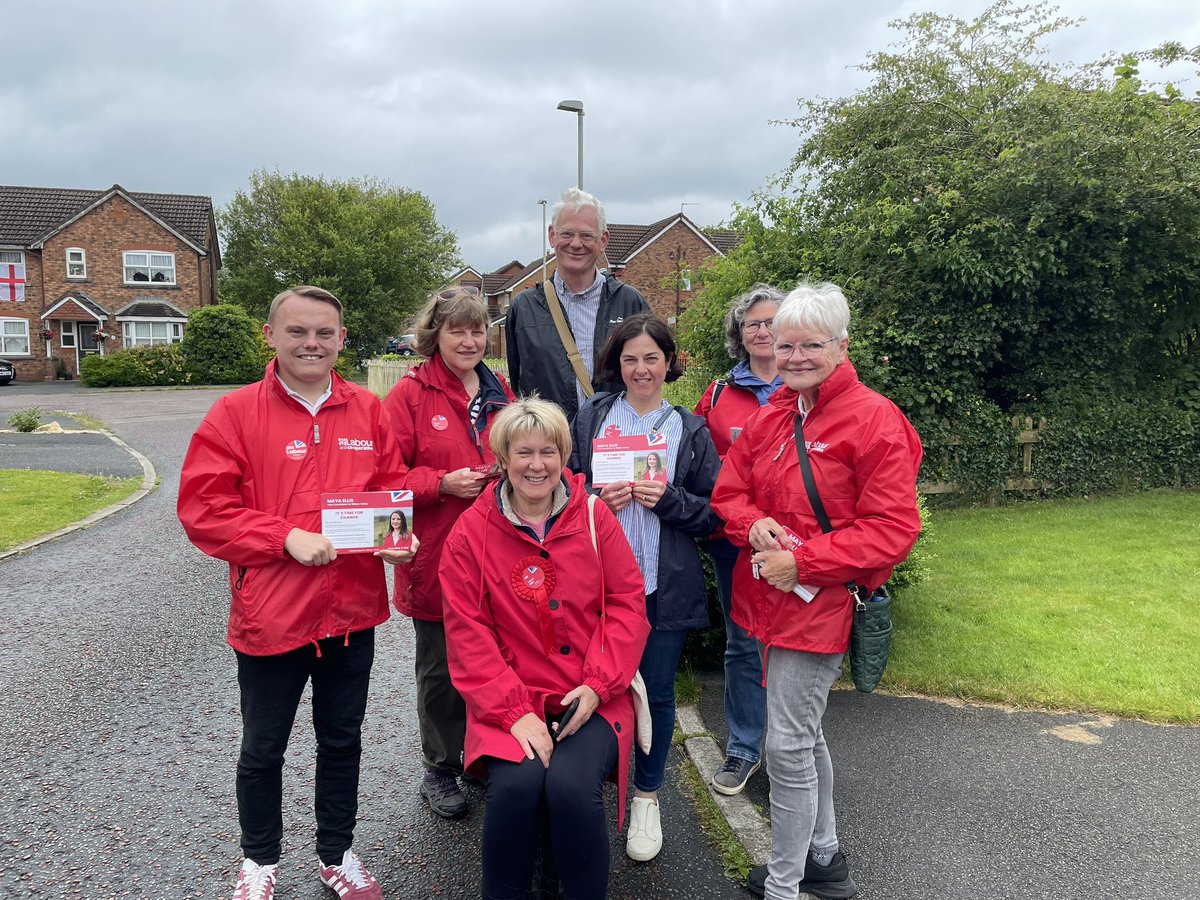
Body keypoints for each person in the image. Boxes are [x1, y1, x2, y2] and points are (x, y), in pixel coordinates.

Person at [178, 285, 418, 900]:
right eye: (297, 332)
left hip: (350, 613)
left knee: (342, 740)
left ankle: (336, 854)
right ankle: (259, 861)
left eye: (324, 333)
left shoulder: (368, 409)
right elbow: (203, 510)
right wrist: (285, 536)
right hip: (272, 615)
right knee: (264, 747)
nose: (311, 343)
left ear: (342, 340)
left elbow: (388, 491)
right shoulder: (234, 413)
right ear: (271, 336)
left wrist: (395, 541)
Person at [710, 282, 923, 900]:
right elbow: (729, 492)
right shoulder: (775, 413)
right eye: (785, 345)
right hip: (770, 604)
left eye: (811, 345)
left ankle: (785, 882)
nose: (796, 356)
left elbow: (892, 529)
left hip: (821, 606)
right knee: (802, 733)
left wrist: (800, 562)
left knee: (787, 746)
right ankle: (822, 859)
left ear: (841, 346)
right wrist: (752, 524)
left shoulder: (875, 419)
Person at [439, 398, 651, 900]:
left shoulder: (596, 517)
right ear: (503, 459)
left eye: (549, 452)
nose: (537, 465)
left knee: (572, 791)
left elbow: (626, 606)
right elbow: (467, 631)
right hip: (509, 698)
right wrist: (514, 712)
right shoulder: (471, 532)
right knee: (515, 790)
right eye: (524, 453)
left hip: (592, 689)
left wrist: (598, 686)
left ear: (565, 456)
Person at [567, 313, 720, 862]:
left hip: (661, 586)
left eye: (651, 358)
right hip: (596, 586)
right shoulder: (592, 418)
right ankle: (582, 792)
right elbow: (562, 489)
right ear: (617, 363)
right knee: (594, 686)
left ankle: (648, 799)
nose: (640, 369)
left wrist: (670, 501)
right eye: (629, 358)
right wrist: (590, 501)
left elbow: (716, 513)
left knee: (654, 693)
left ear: (668, 362)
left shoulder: (690, 429)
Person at [381, 285, 514, 820]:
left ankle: (481, 755)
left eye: (477, 329)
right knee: (441, 669)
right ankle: (440, 767)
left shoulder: (499, 388)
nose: (469, 339)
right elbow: (383, 479)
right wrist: (441, 484)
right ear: (434, 334)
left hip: (499, 550)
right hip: (436, 555)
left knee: (498, 657)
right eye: (457, 329)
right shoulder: (409, 396)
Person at [693, 284, 784, 796]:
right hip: (737, 543)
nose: (764, 331)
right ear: (740, 334)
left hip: (801, 546)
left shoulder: (812, 387)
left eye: (773, 321)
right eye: (753, 323)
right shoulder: (720, 394)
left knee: (797, 648)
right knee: (744, 642)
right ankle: (745, 749)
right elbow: (704, 470)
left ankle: (787, 753)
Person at [505, 187, 649, 419]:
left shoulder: (630, 302)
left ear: (603, 240)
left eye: (586, 235)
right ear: (552, 236)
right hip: (550, 446)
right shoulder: (523, 309)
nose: (575, 243)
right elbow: (517, 387)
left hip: (613, 443)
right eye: (567, 234)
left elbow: (649, 378)